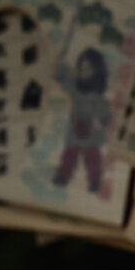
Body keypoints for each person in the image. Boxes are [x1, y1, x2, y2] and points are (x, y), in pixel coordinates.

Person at [53, 47, 112, 194]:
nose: (83, 72)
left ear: (96, 71)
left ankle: (94, 180)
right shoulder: (76, 89)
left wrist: (105, 121)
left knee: (92, 159)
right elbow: (65, 78)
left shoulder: (98, 97)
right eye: (81, 68)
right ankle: (63, 175)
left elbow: (104, 113)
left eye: (87, 69)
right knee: (69, 156)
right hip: (75, 129)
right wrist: (60, 67)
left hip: (90, 132)